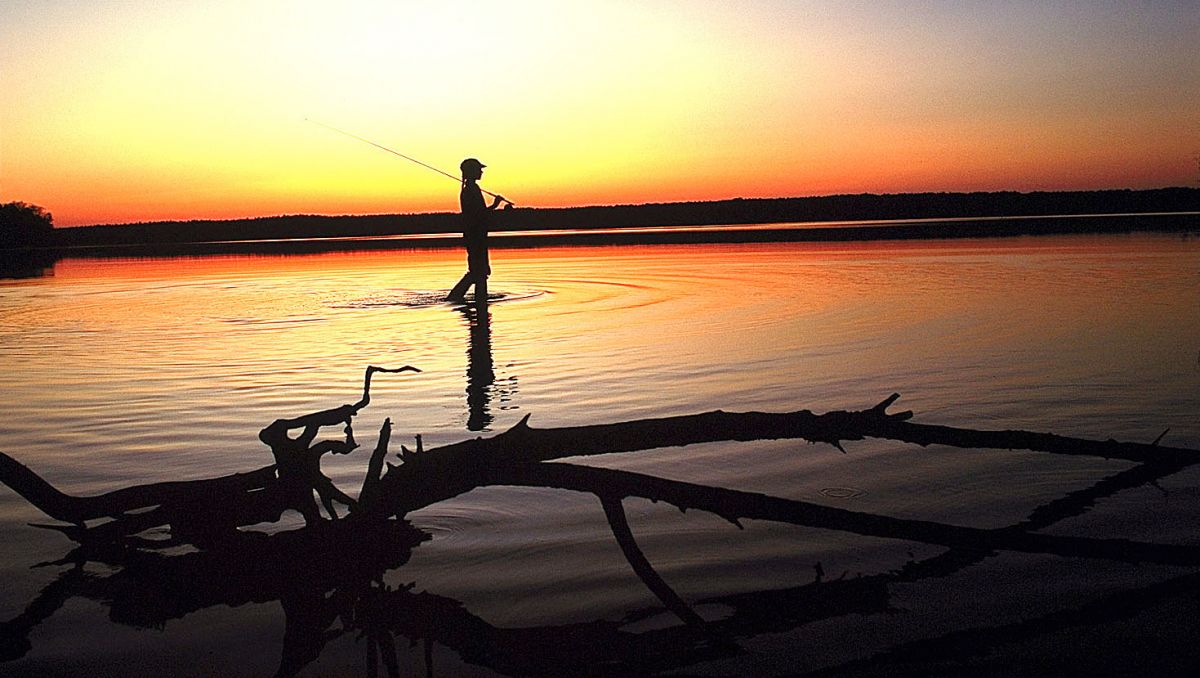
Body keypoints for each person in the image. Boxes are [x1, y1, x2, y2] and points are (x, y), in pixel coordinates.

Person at [447, 158, 506, 302]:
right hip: (476, 236)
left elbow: (479, 214)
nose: (481, 171)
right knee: (478, 272)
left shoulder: (471, 189)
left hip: (475, 235)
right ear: (472, 171)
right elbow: (479, 214)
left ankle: (479, 302)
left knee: (479, 272)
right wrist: (495, 205)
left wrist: (493, 207)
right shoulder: (471, 190)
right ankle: (455, 298)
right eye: (479, 169)